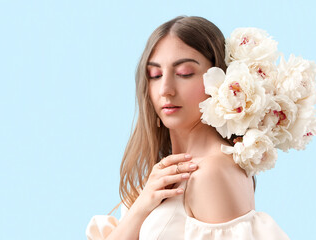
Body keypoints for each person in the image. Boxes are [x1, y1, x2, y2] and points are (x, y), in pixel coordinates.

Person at [86, 16, 290, 240]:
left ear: (222, 79)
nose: (165, 89)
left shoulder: (211, 172)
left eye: (184, 73)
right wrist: (141, 207)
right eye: (155, 75)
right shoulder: (169, 174)